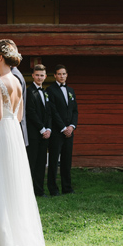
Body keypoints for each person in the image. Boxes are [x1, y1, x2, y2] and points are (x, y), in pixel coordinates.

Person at [0, 40, 52, 246]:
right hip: (13, 134)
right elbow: (17, 117)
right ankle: (17, 237)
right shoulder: (19, 82)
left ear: (0, 57)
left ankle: (0, 243)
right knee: (12, 183)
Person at [47, 64, 78, 196]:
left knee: (67, 160)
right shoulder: (50, 90)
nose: (62, 76)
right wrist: (63, 128)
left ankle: (67, 187)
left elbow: (75, 111)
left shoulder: (71, 90)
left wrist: (72, 126)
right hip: (57, 131)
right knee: (54, 161)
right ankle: (53, 189)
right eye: (59, 74)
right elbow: (53, 111)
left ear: (66, 75)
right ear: (55, 75)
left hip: (70, 131)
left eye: (64, 74)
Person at [25, 64, 52, 197]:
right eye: (37, 75)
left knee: (42, 163)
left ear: (45, 77)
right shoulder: (29, 92)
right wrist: (41, 129)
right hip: (34, 134)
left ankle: (39, 190)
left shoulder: (46, 92)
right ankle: (29, 192)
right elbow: (31, 112)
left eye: (42, 75)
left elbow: (48, 112)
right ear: (33, 76)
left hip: (45, 134)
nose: (39, 77)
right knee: (32, 163)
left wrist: (48, 129)